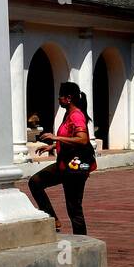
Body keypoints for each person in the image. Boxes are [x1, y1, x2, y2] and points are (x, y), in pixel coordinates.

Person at [27, 81, 95, 235]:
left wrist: (55, 137)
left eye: (60, 97)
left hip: (75, 168)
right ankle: (52, 218)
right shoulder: (68, 115)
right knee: (35, 182)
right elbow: (70, 138)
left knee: (74, 208)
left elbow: (82, 139)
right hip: (65, 164)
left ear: (68, 98)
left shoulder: (76, 115)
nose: (58, 99)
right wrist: (52, 146)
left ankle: (82, 242)